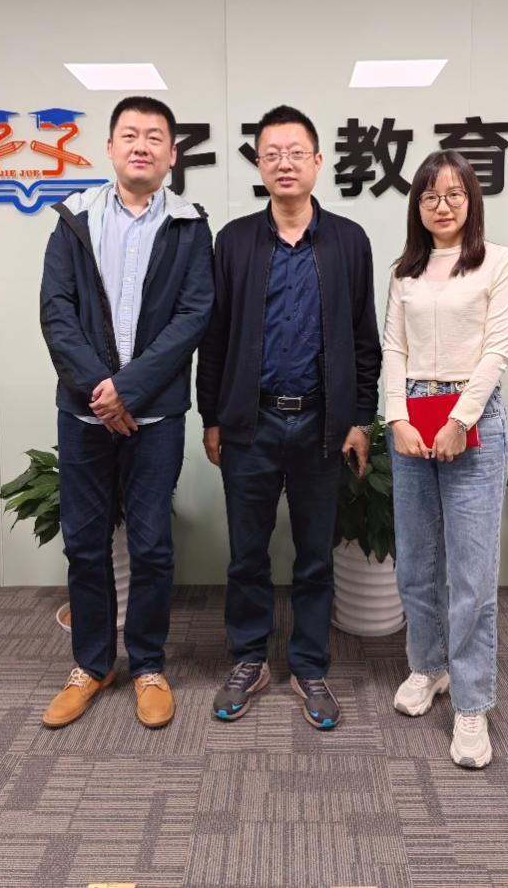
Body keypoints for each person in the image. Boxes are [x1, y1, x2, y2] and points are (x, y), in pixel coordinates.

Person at [197, 104, 381, 730]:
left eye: (296, 152)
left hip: (322, 428)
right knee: (247, 555)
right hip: (249, 424)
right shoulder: (234, 241)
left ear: (318, 162)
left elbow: (364, 341)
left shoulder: (349, 241)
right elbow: (214, 338)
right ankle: (249, 659)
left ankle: (308, 666)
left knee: (314, 557)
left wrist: (360, 419)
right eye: (271, 153)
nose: (284, 163)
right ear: (259, 164)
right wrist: (212, 416)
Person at [39, 95, 213, 730]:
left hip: (155, 418)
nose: (142, 146)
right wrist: (100, 390)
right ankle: (92, 664)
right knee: (85, 545)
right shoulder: (73, 220)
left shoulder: (191, 226)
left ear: (172, 155)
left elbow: (194, 315)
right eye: (130, 135)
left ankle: (147, 665)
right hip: (84, 415)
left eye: (155, 137)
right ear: (110, 148)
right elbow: (56, 311)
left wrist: (129, 391)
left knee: (152, 546)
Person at [383, 149, 508, 768]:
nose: (442, 205)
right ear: (417, 205)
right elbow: (394, 348)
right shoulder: (405, 271)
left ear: (471, 199)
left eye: (454, 194)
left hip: (473, 418)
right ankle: (428, 667)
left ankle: (471, 703)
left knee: (470, 575)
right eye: (430, 196)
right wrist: (396, 418)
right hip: (413, 420)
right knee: (416, 564)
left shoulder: (500, 262)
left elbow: (496, 352)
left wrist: (460, 421)